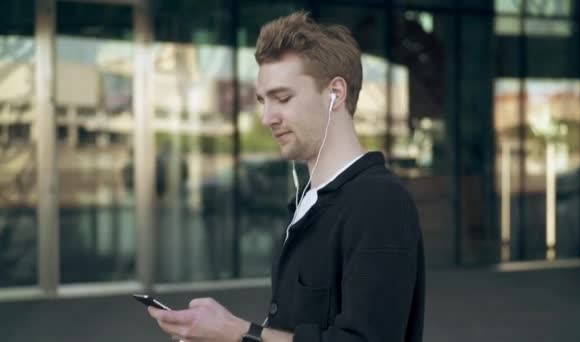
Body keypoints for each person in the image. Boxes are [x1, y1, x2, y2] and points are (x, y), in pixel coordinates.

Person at [148, 11, 425, 342]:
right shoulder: (309, 200)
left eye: (282, 98)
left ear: (335, 93)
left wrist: (237, 332)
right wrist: (223, 331)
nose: (266, 118)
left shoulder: (378, 203)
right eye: (264, 101)